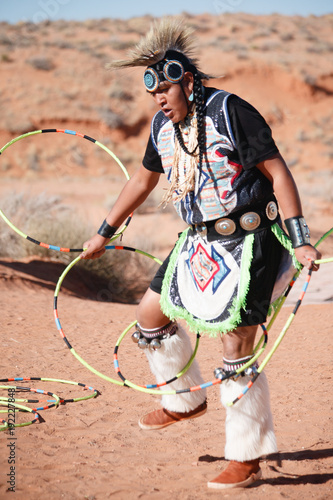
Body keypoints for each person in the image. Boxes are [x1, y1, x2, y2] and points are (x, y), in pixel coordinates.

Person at [80, 19, 321, 489]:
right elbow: (142, 180)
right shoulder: (162, 126)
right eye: (152, 93)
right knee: (150, 314)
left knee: (235, 344)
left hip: (252, 240)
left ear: (187, 80)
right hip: (198, 241)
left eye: (164, 89)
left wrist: (301, 238)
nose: (158, 99)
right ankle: (183, 401)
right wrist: (103, 232)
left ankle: (246, 456)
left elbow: (279, 173)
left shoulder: (232, 111)